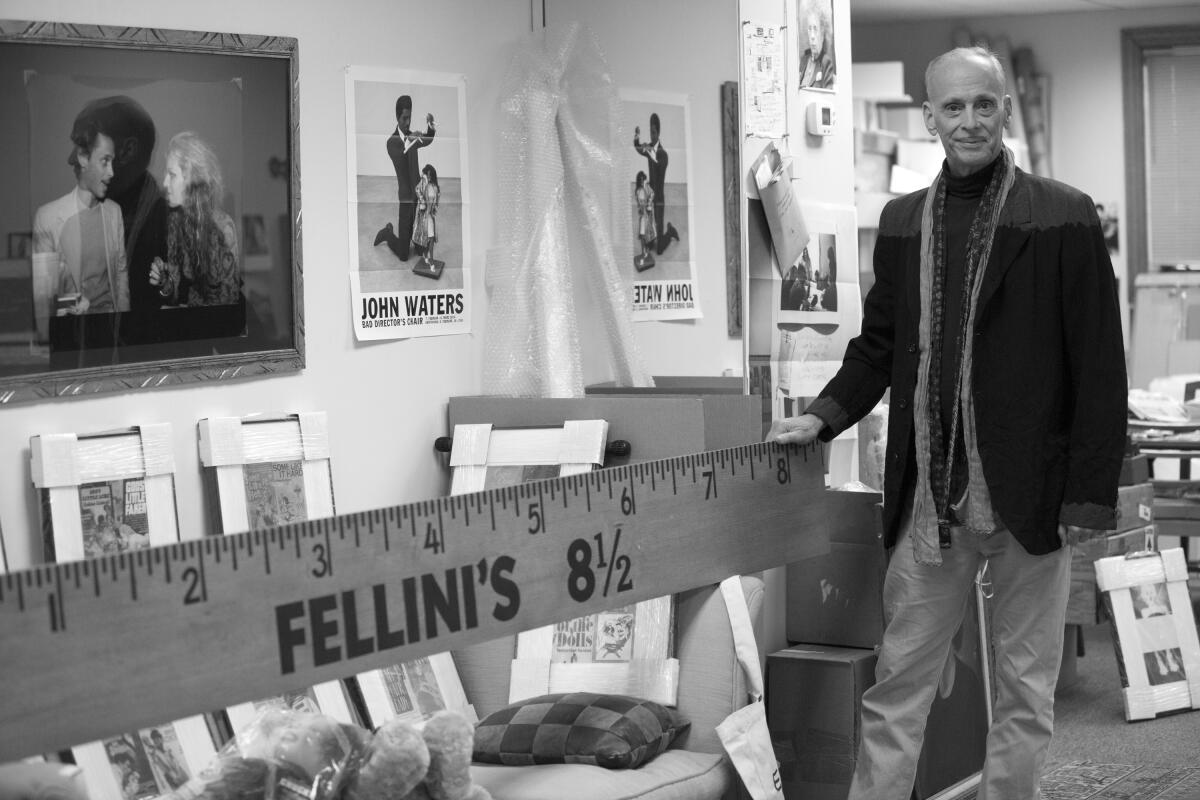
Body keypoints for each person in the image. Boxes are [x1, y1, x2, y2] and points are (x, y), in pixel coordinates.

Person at [766, 47, 1126, 799]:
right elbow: (880, 348)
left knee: (1026, 698)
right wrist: (823, 418)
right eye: (953, 107)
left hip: (1033, 496)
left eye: (983, 105)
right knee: (898, 688)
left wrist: (1091, 497)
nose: (969, 121)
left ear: (1002, 111)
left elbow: (1099, 367)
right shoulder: (902, 223)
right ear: (930, 118)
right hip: (932, 505)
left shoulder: (1063, 214)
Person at [33, 103, 130, 315]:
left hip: (111, 333)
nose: (112, 172)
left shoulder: (115, 213)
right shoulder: (47, 218)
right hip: (73, 335)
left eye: (112, 162)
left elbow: (121, 278)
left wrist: (125, 331)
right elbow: (43, 298)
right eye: (105, 161)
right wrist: (72, 303)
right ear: (83, 158)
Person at [81, 96, 170, 313]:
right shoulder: (88, 215)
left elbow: (235, 318)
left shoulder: (174, 224)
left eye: (88, 146)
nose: (72, 159)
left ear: (128, 150)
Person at [148, 132, 242, 307]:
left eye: (172, 175)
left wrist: (190, 312)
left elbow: (229, 304)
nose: (165, 183)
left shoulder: (223, 228)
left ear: (191, 180)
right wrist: (163, 282)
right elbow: (173, 293)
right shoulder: (175, 222)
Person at [373, 95, 436, 261]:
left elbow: (428, 140)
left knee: (421, 250)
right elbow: (401, 156)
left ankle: (416, 240)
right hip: (406, 200)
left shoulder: (411, 136)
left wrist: (431, 126)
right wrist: (410, 140)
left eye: (410, 117)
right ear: (397, 117)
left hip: (419, 198)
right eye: (404, 118)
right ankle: (388, 232)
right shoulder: (391, 142)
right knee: (403, 255)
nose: (408, 122)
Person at [633, 114, 679, 256]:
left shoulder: (663, 154)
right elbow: (637, 147)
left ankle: (670, 231)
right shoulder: (649, 149)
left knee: (658, 251)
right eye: (650, 132)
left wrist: (650, 152)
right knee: (649, 243)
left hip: (658, 200)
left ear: (658, 133)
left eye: (654, 132)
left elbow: (659, 173)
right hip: (649, 200)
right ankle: (652, 237)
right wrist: (637, 137)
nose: (652, 136)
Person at [797, 0, 835, 90]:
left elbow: (828, 94)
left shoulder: (826, 63)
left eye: (815, 29)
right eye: (809, 29)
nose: (812, 36)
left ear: (822, 32)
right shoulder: (804, 60)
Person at [412, 163, 441, 269]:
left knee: (430, 239)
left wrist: (435, 208)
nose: (428, 177)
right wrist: (422, 201)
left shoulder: (435, 187)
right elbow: (417, 190)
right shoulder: (423, 184)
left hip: (431, 216)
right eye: (427, 175)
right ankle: (431, 260)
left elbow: (437, 200)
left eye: (430, 175)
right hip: (424, 216)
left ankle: (426, 255)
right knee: (430, 238)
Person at [634, 170, 656, 269]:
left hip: (647, 214)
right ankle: (644, 252)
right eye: (642, 180)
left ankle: (645, 252)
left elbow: (652, 194)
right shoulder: (638, 190)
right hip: (642, 215)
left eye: (644, 179)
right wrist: (641, 208)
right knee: (642, 234)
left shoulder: (647, 187)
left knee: (646, 234)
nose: (643, 181)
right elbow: (639, 202)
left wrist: (649, 204)